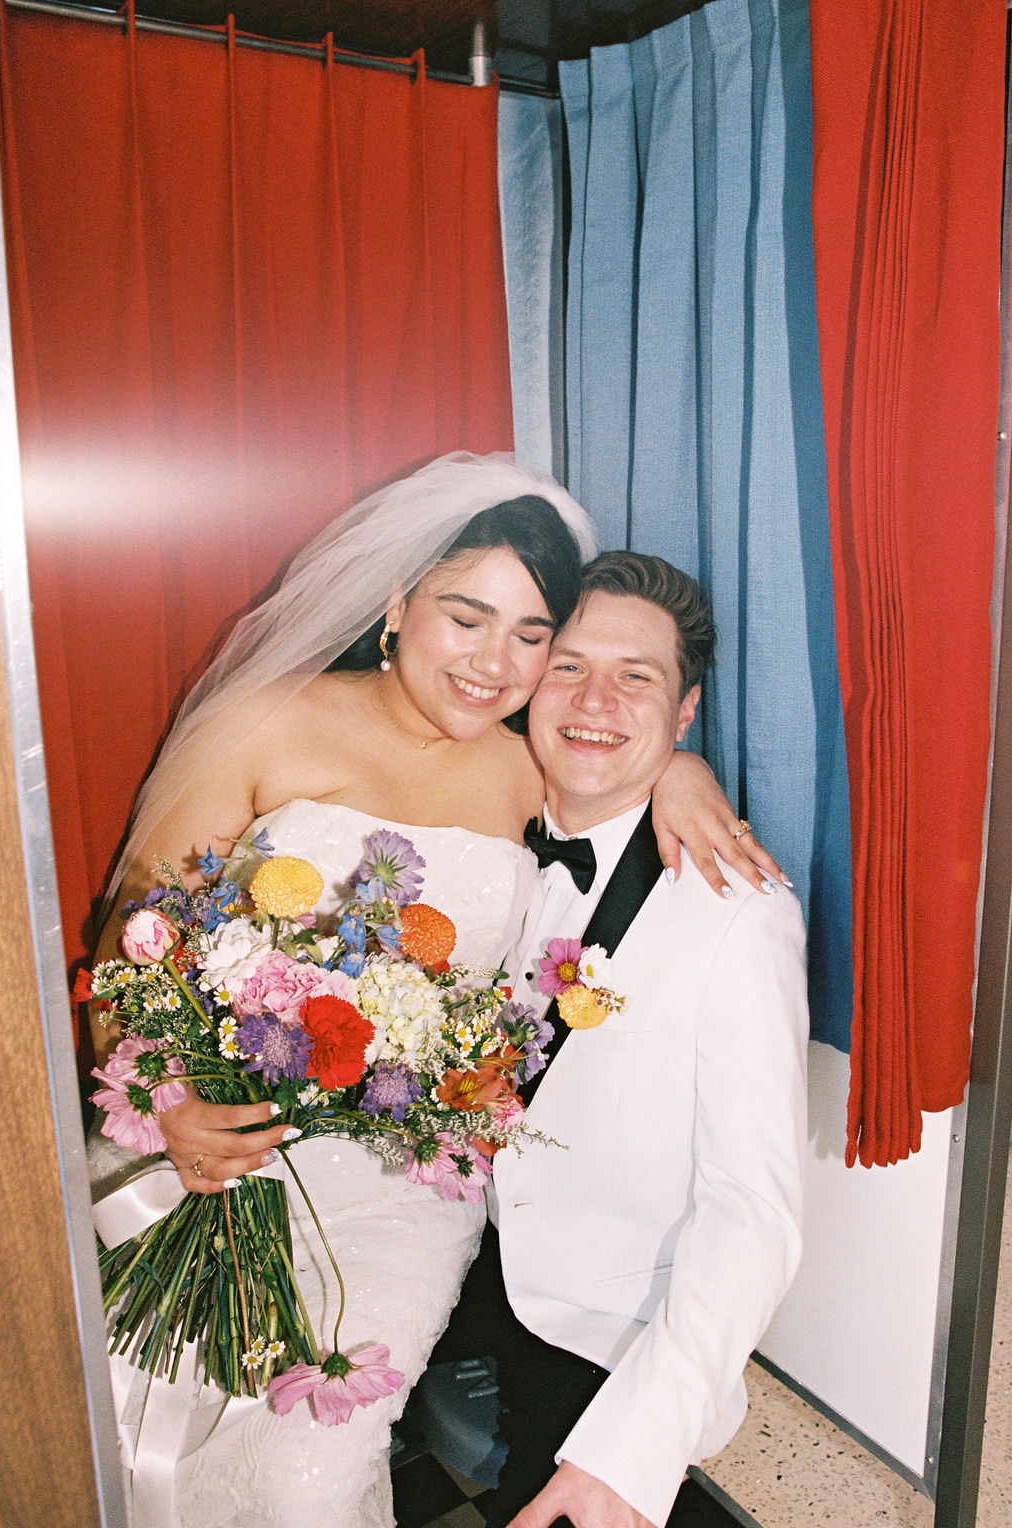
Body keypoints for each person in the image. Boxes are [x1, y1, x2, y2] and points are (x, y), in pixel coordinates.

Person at [88, 455, 784, 1528]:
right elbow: (138, 927)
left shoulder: (522, 770)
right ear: (397, 600)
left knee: (307, 1473)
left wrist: (684, 772)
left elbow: (618, 766)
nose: (492, 663)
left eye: (527, 635)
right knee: (125, 1414)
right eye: (465, 616)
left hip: (401, 1187)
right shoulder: (263, 721)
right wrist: (173, 1101)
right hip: (211, 1133)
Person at [429, 550, 809, 1528]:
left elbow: (751, 1208)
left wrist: (631, 1456)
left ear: (684, 714)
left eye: (636, 677)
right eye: (570, 665)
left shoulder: (737, 910)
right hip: (469, 1247)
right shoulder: (482, 823)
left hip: (603, 1323)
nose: (595, 698)